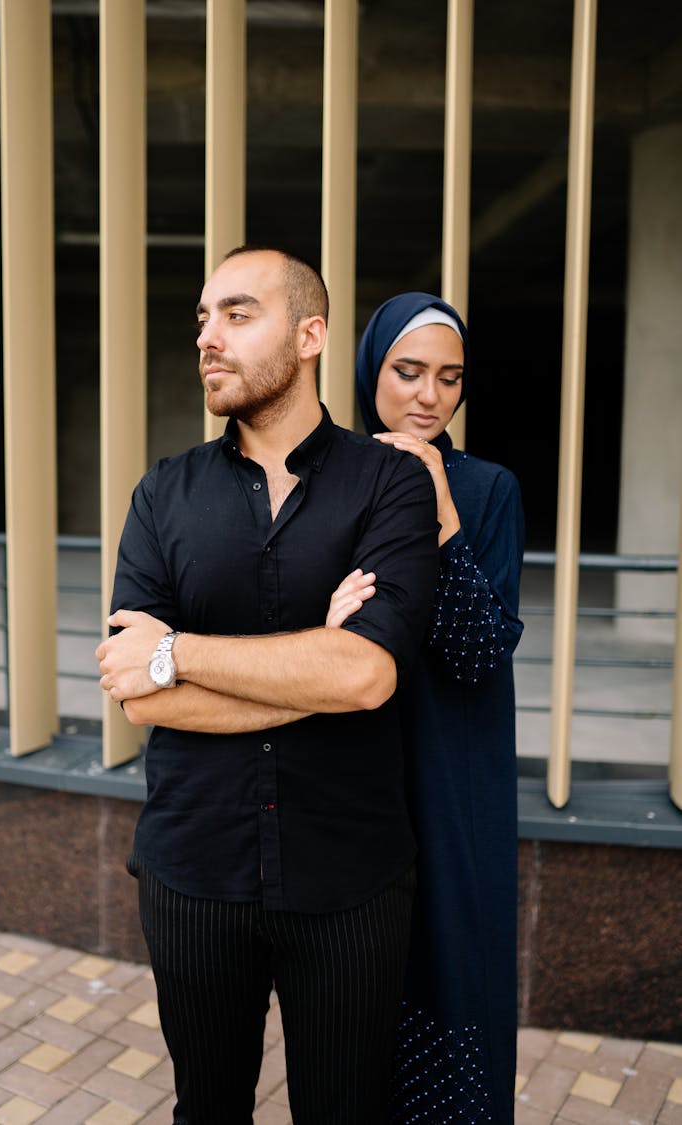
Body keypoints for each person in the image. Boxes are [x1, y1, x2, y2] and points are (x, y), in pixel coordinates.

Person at [95, 248, 440, 1125]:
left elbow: (367, 676)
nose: (208, 338)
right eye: (203, 320)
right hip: (192, 872)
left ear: (310, 334)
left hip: (351, 879)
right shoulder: (163, 493)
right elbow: (138, 689)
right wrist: (316, 652)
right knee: (206, 1110)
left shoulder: (392, 481)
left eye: (237, 315)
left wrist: (181, 649)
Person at [341, 292, 524, 1124]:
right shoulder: (330, 480)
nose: (429, 396)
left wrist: (442, 511)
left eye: (449, 378)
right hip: (354, 772)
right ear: (369, 370)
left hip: (451, 775)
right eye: (407, 371)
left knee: (451, 977)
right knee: (354, 997)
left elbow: (481, 650)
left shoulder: (488, 491)